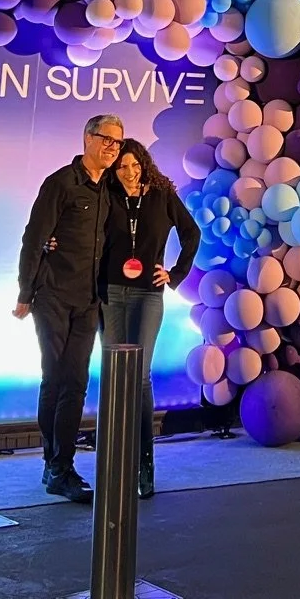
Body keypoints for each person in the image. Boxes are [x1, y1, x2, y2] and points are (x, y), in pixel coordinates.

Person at [15, 113, 124, 502]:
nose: (112, 148)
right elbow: (35, 238)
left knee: (76, 382)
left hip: (89, 300)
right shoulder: (60, 183)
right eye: (106, 140)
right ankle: (55, 465)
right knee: (56, 378)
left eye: (118, 142)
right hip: (53, 296)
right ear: (88, 139)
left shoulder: (111, 190)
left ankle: (63, 465)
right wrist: (25, 292)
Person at [100, 137, 200, 500]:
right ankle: (114, 462)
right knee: (115, 375)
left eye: (134, 165)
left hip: (147, 294)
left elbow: (192, 233)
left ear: (144, 165)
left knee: (139, 375)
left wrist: (175, 273)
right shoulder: (107, 196)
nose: (128, 172)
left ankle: (144, 463)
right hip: (109, 293)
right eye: (121, 166)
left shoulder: (160, 196)